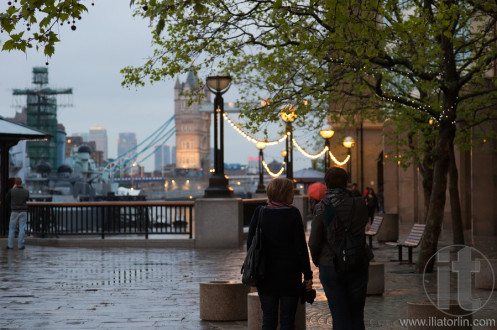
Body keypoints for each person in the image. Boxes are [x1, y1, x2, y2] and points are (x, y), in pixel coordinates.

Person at [247, 177, 313, 329]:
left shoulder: (260, 212)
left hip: (265, 274)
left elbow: (251, 244)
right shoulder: (293, 214)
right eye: (291, 192)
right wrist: (307, 275)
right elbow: (301, 248)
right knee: (288, 320)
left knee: (268, 320)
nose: (293, 195)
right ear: (284, 194)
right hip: (289, 275)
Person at [308, 167, 369, 330]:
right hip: (357, 262)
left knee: (339, 314)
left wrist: (317, 260)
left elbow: (314, 241)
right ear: (346, 183)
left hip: (330, 264)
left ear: (326, 184)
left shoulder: (322, 207)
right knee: (357, 314)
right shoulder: (359, 204)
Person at [6, 177, 30, 250]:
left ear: (15, 183)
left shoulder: (12, 191)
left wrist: (13, 188)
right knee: (22, 228)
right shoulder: (26, 191)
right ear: (21, 182)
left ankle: (10, 245)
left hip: (14, 211)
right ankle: (20, 245)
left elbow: (7, 197)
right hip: (23, 211)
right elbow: (27, 199)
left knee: (12, 228)